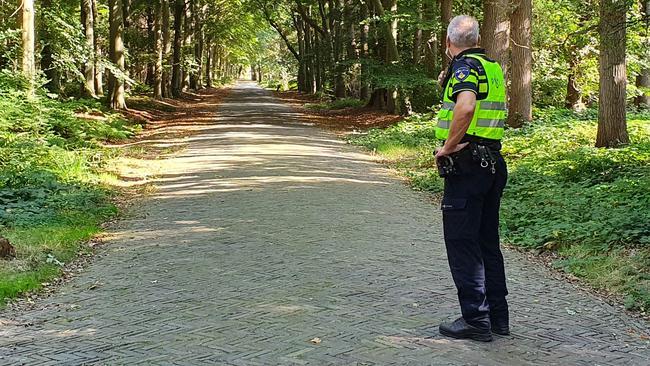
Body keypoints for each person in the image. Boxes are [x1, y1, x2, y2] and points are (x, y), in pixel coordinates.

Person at [434, 15, 509, 342]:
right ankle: (497, 318)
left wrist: (447, 148)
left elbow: (465, 108)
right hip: (492, 162)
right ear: (477, 39)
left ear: (450, 43)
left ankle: (475, 321)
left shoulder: (464, 68)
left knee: (462, 243)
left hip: (468, 165)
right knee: (486, 242)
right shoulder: (491, 66)